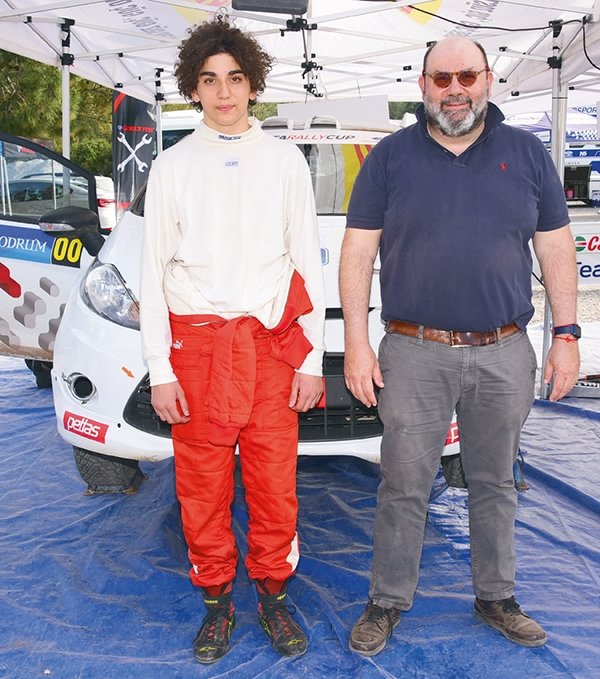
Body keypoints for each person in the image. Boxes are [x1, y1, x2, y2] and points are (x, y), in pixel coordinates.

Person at [340, 36, 580, 656]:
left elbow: (556, 248)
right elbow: (358, 252)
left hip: (504, 350)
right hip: (412, 351)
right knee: (403, 483)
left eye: (466, 76)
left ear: (487, 80)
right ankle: (387, 601)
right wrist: (356, 343)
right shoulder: (389, 158)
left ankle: (495, 596)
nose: (455, 90)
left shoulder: (527, 155)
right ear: (423, 85)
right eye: (441, 78)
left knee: (496, 481)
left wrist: (566, 335)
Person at [140, 17, 325, 664]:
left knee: (275, 485)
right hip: (197, 353)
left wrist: (311, 357)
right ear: (193, 88)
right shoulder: (171, 167)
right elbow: (152, 271)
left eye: (235, 78)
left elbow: (307, 264)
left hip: (271, 348)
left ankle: (273, 596)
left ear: (253, 85)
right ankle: (217, 603)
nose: (224, 92)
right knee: (202, 487)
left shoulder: (284, 162)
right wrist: (160, 368)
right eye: (210, 79)